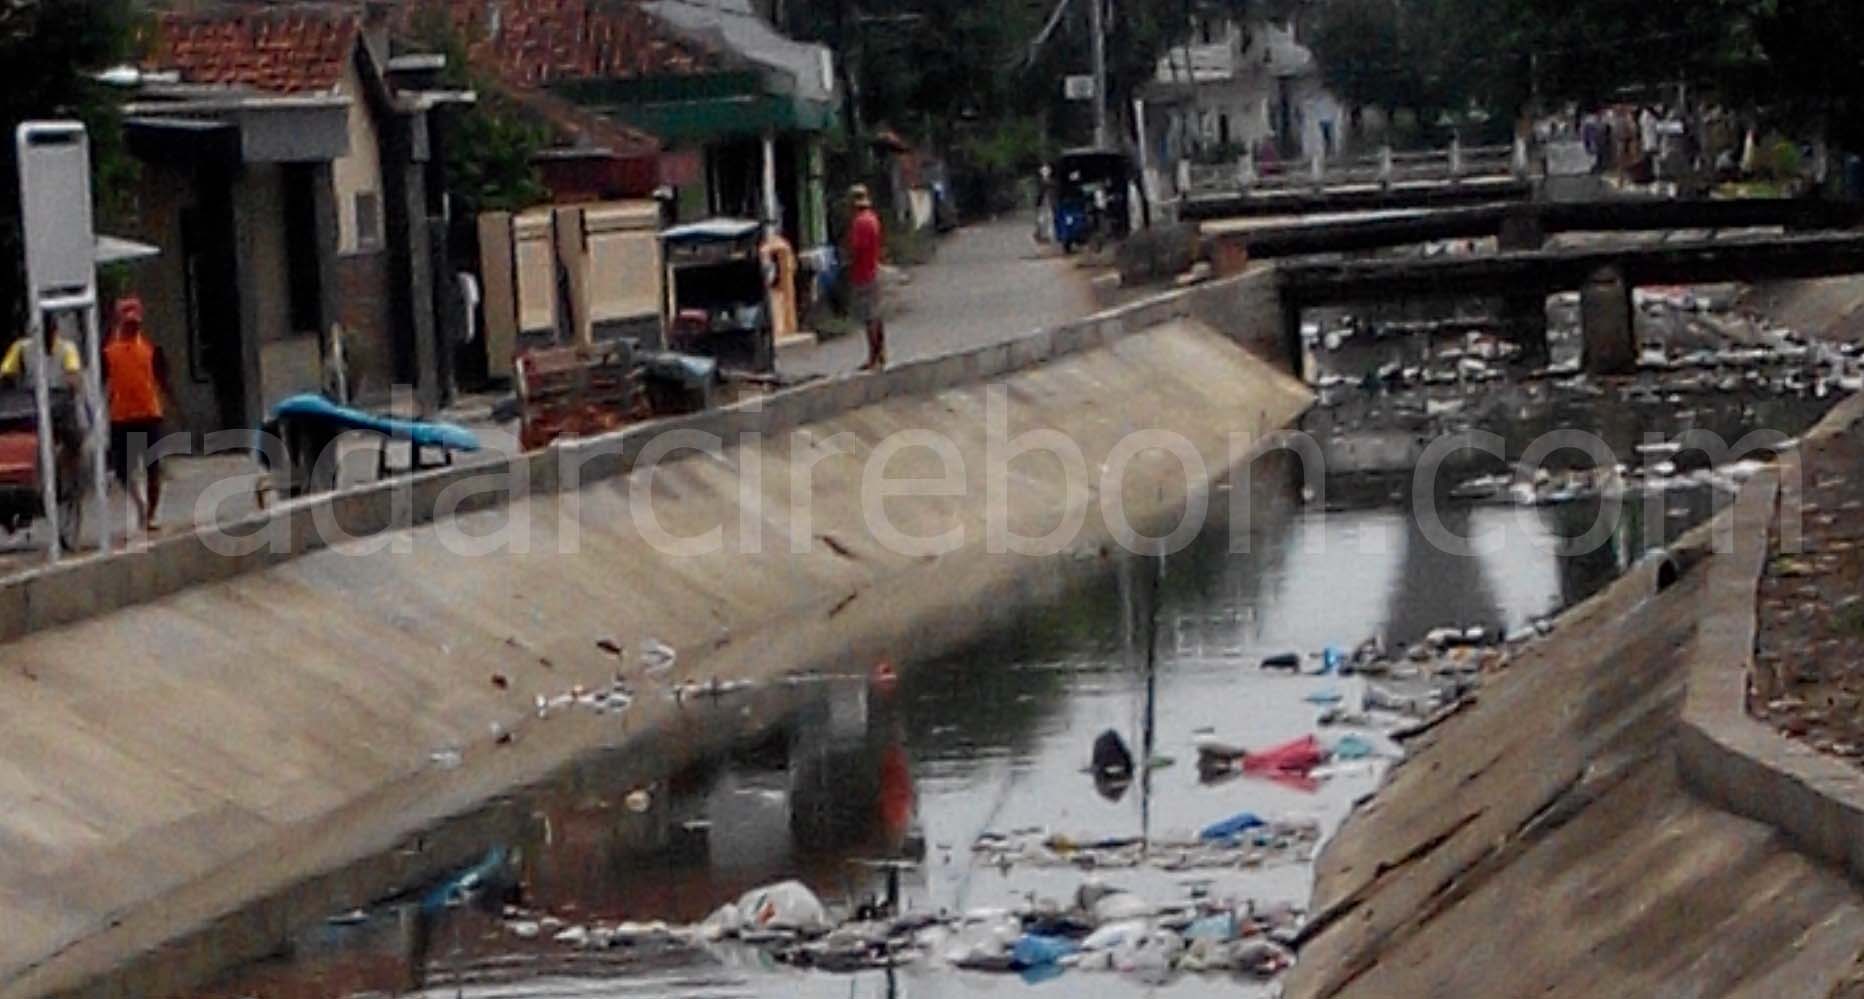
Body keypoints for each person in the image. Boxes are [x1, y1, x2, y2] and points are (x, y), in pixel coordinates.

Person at [102, 296, 173, 531]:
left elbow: (163, 379)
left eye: (136, 322)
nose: (132, 326)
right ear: (120, 322)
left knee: (153, 467)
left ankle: (151, 514)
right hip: (120, 416)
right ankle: (138, 502)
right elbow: (103, 384)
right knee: (121, 468)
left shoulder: (152, 349)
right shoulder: (108, 352)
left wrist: (171, 406)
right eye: (128, 322)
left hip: (149, 414)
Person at [846, 184, 886, 371]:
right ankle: (881, 353)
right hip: (873, 270)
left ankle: (874, 356)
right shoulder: (873, 219)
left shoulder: (860, 223)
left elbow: (855, 249)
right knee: (876, 316)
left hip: (863, 273)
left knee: (869, 317)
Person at [0, 319, 81, 387]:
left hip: (60, 397)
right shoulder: (21, 347)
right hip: (28, 397)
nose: (46, 337)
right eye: (43, 333)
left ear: (56, 331)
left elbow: (73, 377)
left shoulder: (68, 348)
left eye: (49, 332)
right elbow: (5, 374)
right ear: (35, 332)